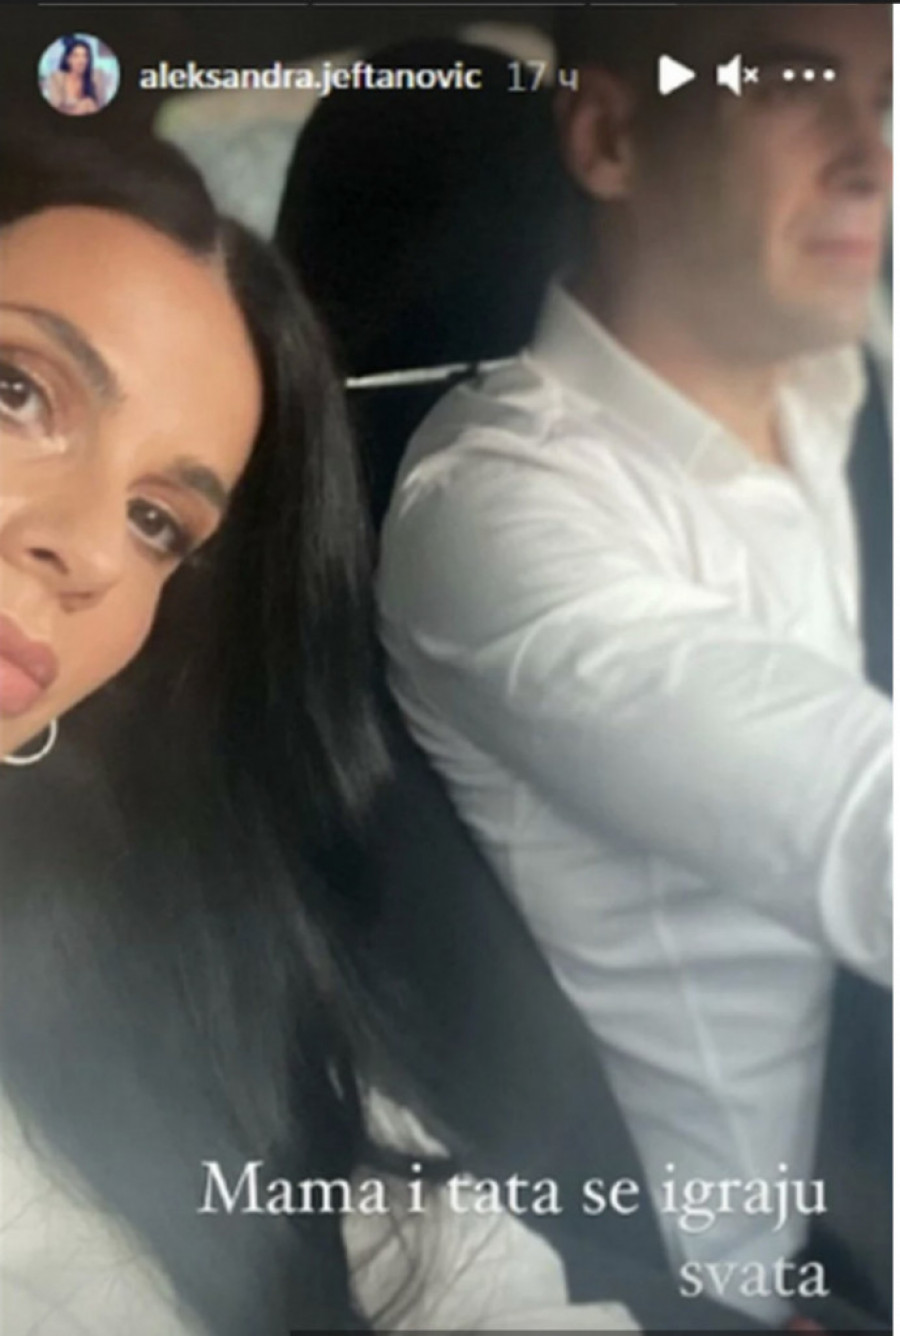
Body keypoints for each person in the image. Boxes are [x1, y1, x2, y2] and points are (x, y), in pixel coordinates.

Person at [0, 132, 637, 1333]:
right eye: (16, 390)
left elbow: (442, 1252)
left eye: (155, 521)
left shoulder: (137, 948)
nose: (88, 551)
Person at [377, 4, 892, 1327]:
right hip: (745, 1284)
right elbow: (871, 821)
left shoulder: (847, 390)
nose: (871, 155)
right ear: (611, 137)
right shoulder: (498, 510)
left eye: (888, 96)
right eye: (793, 84)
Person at [44, 36, 109, 116]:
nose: (81, 60)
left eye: (85, 56)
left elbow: (102, 105)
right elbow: (55, 106)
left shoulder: (96, 76)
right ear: (68, 59)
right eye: (76, 56)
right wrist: (81, 106)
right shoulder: (57, 78)